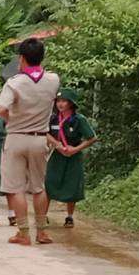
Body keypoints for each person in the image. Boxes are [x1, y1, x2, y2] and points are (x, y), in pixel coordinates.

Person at [0, 37, 62, 246]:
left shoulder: (14, 83)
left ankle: (23, 232)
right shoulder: (53, 80)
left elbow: (2, 110)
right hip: (40, 139)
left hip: (16, 138)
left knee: (16, 188)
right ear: (42, 57)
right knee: (39, 187)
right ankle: (42, 232)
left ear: (21, 58)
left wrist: (13, 120)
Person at [45, 87, 98, 226]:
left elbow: (92, 138)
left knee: (72, 185)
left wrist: (75, 149)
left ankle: (69, 217)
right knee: (48, 183)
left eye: (64, 101)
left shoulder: (79, 119)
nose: (60, 104)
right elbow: (45, 132)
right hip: (57, 155)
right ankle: (42, 215)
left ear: (71, 103)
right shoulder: (53, 118)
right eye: (58, 101)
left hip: (73, 156)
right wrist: (56, 144)